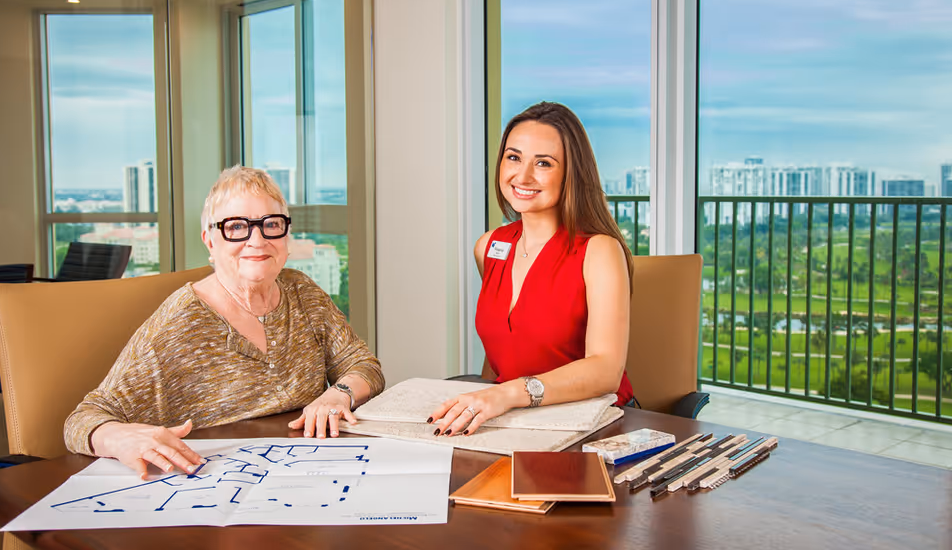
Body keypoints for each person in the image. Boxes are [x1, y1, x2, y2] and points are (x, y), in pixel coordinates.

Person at [64, 166, 384, 478]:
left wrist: (339, 393)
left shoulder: (301, 290)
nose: (257, 241)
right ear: (210, 241)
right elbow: (84, 419)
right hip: (210, 485)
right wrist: (122, 438)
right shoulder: (180, 321)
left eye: (271, 224)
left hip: (303, 472)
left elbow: (363, 365)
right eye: (236, 226)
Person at [430, 102, 634, 436]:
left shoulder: (599, 250)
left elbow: (606, 370)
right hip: (513, 421)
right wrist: (494, 397)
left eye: (543, 163)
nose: (523, 176)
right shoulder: (489, 247)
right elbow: (510, 345)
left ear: (571, 172)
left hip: (594, 425)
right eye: (514, 157)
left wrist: (507, 393)